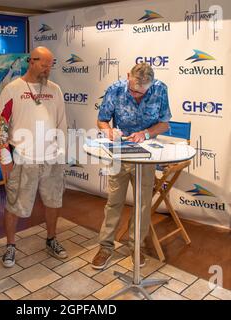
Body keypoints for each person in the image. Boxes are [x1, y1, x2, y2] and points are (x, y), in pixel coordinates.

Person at [92, 63, 172, 269]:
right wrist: (108, 131)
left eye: (141, 92)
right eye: (133, 90)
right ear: (128, 76)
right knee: (114, 201)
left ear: (151, 85)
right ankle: (106, 247)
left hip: (146, 155)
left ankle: (137, 247)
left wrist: (145, 134)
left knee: (143, 204)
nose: (136, 95)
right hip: (120, 153)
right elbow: (102, 120)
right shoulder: (115, 89)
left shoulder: (160, 89)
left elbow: (164, 124)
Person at [0, 46, 68, 268]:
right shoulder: (12, 89)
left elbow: (61, 122)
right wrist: (4, 157)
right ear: (31, 61)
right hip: (22, 158)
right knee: (15, 204)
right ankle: (10, 246)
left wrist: (62, 152)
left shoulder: (55, 90)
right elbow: (1, 123)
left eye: (50, 65)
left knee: (53, 201)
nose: (48, 69)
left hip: (51, 159)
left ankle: (51, 239)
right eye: (44, 64)